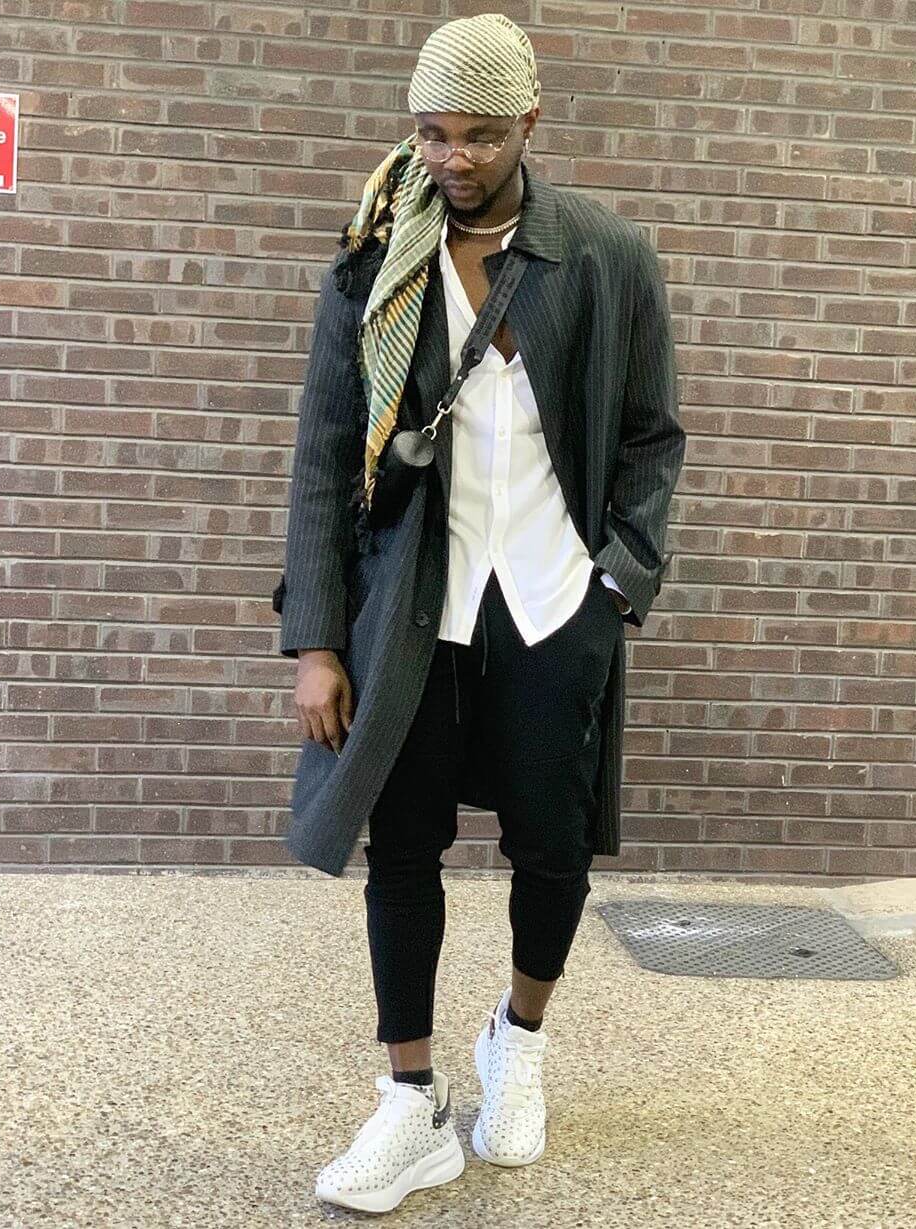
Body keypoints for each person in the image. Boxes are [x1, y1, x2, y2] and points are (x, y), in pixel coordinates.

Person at [276, 11, 684, 1214]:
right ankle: (411, 1099)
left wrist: (619, 584)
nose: (454, 158)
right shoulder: (373, 265)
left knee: (551, 846)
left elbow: (653, 437)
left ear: (530, 124)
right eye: (433, 133)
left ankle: (520, 1037)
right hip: (415, 604)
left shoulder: (604, 255)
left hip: (557, 601)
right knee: (402, 845)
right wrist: (317, 639)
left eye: (481, 136)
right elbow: (323, 459)